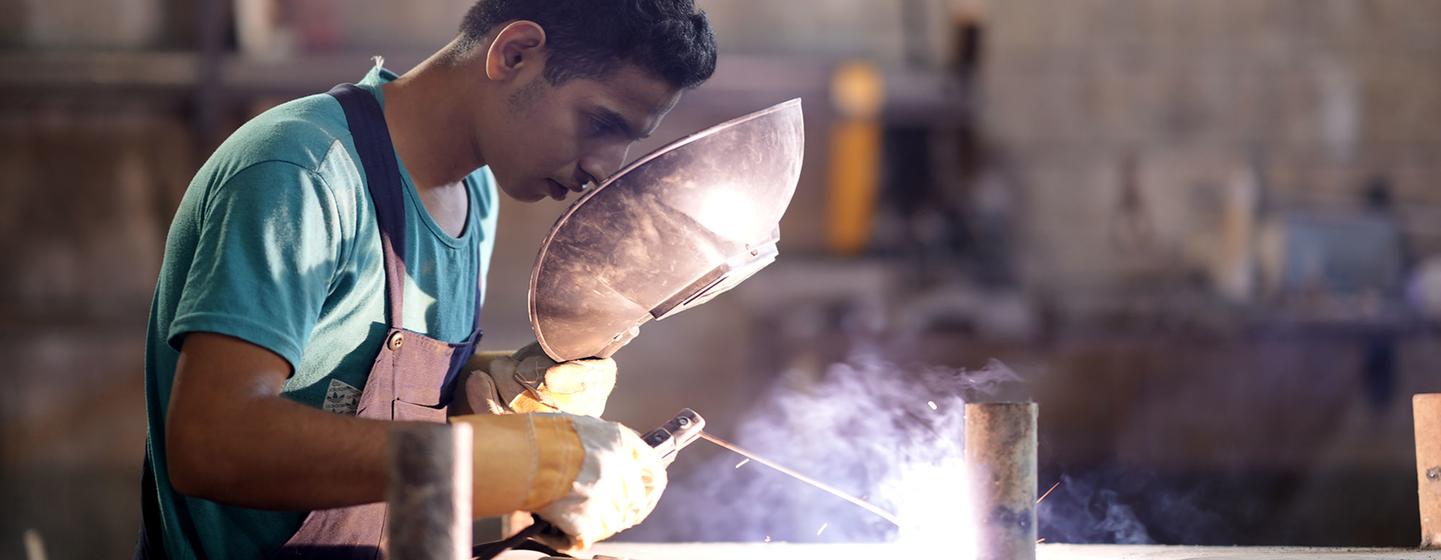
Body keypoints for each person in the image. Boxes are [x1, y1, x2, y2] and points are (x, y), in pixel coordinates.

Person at [136, 1, 717, 557]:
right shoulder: (303, 172)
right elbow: (212, 443)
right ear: (514, 54)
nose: (602, 168)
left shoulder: (475, 195)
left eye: (626, 141)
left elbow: (363, 407)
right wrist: (512, 459)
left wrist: (485, 391)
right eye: (598, 123)